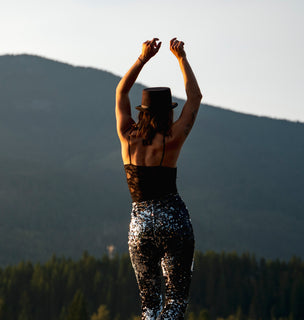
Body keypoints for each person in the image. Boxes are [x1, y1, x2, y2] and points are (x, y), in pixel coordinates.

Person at [115, 38, 202, 320]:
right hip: (173, 220)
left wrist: (142, 58)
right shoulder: (172, 138)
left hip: (138, 224)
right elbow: (195, 97)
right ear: (168, 113)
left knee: (149, 306)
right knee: (175, 302)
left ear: (142, 112)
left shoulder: (127, 136)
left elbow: (121, 92)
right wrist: (181, 58)